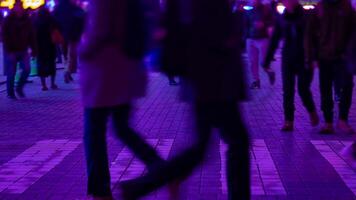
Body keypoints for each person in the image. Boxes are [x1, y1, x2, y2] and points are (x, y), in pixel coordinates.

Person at [119, 0, 251, 199]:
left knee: (210, 145)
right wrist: (227, 38)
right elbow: (207, 26)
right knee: (231, 142)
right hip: (213, 75)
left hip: (205, 76)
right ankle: (139, 186)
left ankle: (140, 187)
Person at [78, 0, 163, 199]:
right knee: (121, 127)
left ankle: (100, 190)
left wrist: (82, 50)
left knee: (94, 130)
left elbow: (98, 31)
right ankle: (160, 168)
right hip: (126, 69)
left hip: (103, 71)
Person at [263, 0, 319, 132]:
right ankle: (288, 120)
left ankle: (311, 111)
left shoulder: (306, 16)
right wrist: (266, 61)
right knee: (288, 90)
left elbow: (314, 38)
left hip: (304, 58)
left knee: (303, 89)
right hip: (288, 58)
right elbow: (275, 39)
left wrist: (315, 58)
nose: (287, 2)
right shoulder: (282, 19)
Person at [307, 0, 354, 134]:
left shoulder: (346, 6)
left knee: (346, 87)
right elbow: (311, 33)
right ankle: (328, 122)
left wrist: (349, 51)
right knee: (326, 88)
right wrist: (313, 56)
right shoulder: (320, 8)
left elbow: (353, 29)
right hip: (324, 56)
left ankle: (342, 120)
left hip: (343, 55)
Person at [2, 0, 36, 99]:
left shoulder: (26, 19)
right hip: (11, 50)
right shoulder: (8, 19)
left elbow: (31, 35)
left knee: (27, 69)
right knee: (11, 72)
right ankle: (10, 92)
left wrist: (34, 49)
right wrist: (8, 48)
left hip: (23, 49)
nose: (20, 8)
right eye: (18, 6)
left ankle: (19, 87)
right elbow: (4, 35)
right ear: (14, 7)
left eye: (21, 6)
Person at [244, 0, 275, 89]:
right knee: (252, 62)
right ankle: (256, 80)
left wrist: (264, 24)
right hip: (250, 39)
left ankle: (270, 72)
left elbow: (272, 22)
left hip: (262, 38)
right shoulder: (249, 11)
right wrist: (246, 36)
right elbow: (246, 24)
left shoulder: (266, 10)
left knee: (263, 61)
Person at [53, 0, 85, 83]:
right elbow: (82, 18)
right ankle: (68, 72)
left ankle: (67, 71)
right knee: (72, 55)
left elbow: (53, 21)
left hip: (61, 36)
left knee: (65, 56)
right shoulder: (74, 7)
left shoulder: (58, 8)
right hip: (73, 35)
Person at [34, 6, 59, 91]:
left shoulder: (36, 21)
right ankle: (52, 84)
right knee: (52, 64)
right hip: (50, 45)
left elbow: (34, 35)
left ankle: (43, 85)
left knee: (41, 65)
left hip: (40, 47)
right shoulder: (51, 20)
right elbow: (57, 30)